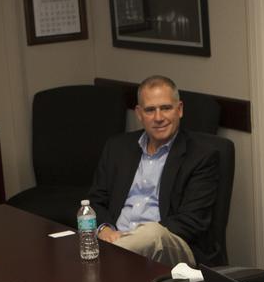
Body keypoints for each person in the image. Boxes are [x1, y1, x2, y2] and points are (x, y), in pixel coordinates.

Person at [88, 74, 221, 266]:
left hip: (173, 245)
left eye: (166, 108)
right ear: (139, 113)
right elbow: (95, 200)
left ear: (179, 109)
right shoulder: (117, 148)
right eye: (150, 110)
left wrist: (134, 238)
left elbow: (192, 221)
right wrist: (105, 230)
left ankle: (107, 260)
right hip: (115, 239)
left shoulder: (201, 156)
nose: (159, 118)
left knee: (152, 233)